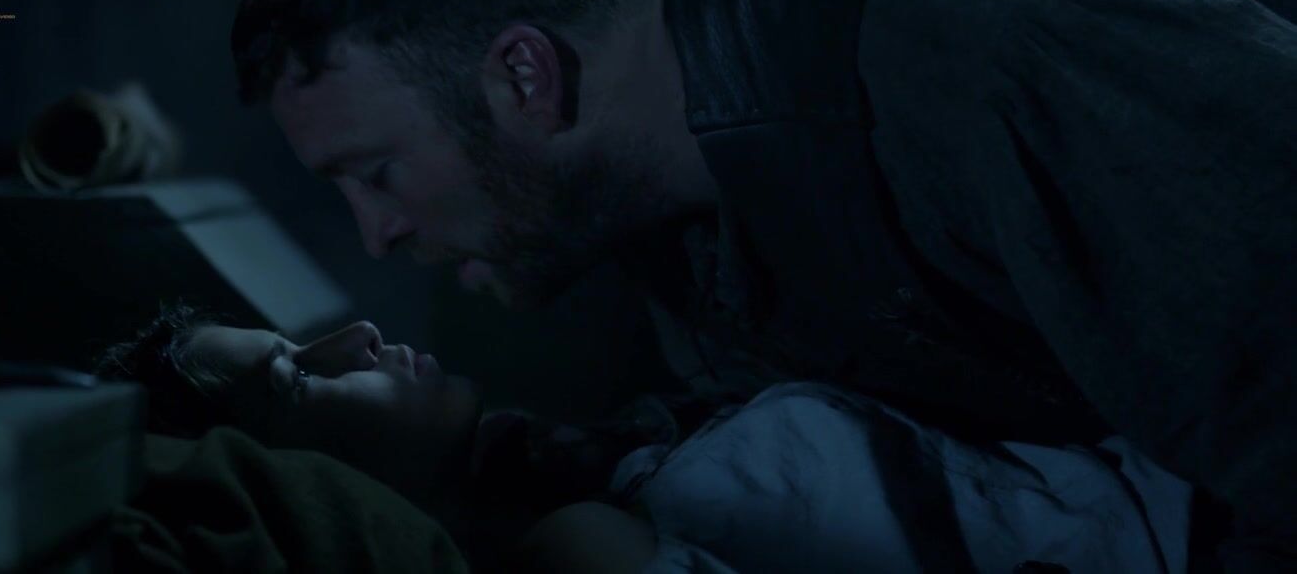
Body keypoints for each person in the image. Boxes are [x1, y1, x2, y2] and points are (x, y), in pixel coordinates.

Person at [228, 0, 1297, 569]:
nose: (377, 235)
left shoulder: (996, 53)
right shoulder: (669, 229)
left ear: (523, 74)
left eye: (376, 172)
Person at [99, 304, 1199, 572]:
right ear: (294, 478)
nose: (358, 336)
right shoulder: (578, 551)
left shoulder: (591, 476)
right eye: (297, 374)